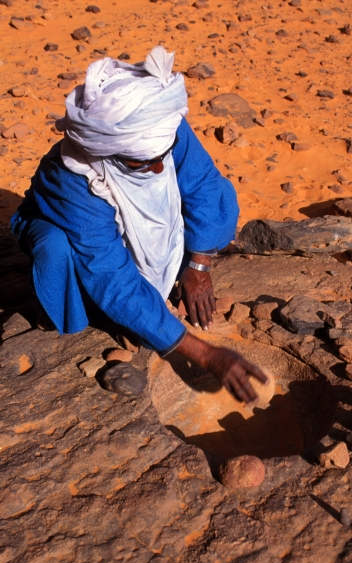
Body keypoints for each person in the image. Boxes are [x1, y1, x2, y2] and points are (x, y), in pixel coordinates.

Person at [11, 46, 269, 404]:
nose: (160, 168)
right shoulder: (73, 180)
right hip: (60, 225)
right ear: (108, 152)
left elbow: (203, 186)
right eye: (141, 164)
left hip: (123, 217)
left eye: (162, 156)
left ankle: (150, 297)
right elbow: (108, 274)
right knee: (56, 248)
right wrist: (206, 354)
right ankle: (85, 309)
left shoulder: (158, 125)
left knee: (207, 196)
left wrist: (198, 264)